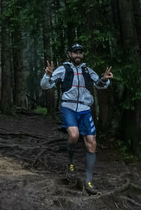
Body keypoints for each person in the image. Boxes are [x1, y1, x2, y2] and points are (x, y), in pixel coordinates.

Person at [40, 43, 113, 194]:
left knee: (92, 143)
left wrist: (105, 79)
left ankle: (89, 182)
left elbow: (99, 84)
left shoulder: (87, 70)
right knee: (74, 135)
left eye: (80, 52)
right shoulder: (63, 69)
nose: (78, 55)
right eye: (75, 52)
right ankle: (70, 163)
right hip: (69, 107)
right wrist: (48, 75)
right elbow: (46, 86)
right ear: (69, 54)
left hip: (85, 109)